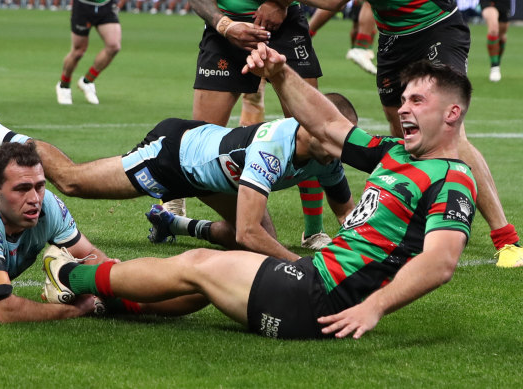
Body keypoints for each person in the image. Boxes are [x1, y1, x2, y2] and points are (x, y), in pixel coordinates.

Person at [42, 48, 477, 340]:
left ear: (452, 113)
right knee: (204, 286)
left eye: (417, 101)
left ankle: (68, 277)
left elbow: (441, 262)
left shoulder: (453, 179)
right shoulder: (394, 152)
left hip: (320, 297)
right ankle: (109, 305)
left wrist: (375, 307)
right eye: (403, 99)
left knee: (198, 265)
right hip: (314, 279)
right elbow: (327, 125)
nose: (403, 107)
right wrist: (281, 73)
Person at [0, 98, 356, 261]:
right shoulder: (272, 145)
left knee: (254, 237)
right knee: (71, 182)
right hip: (173, 155)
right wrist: (307, 266)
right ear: (309, 124)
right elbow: (250, 232)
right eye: (333, 134)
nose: (340, 145)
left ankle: (172, 222)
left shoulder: (328, 156)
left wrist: (371, 253)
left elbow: (351, 218)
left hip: (211, 174)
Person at [303, 0, 523, 267]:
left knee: (448, 133)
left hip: (435, 29)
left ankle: (506, 240)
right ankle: (416, 229)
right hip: (392, 40)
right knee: (406, 140)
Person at [186, 0, 332, 250]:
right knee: (197, 141)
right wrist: (225, 25)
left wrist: (280, 3)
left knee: (311, 130)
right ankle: (173, 210)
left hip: (284, 26)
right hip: (226, 27)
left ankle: (314, 230)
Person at [0, 139, 107, 321]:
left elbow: (88, 254)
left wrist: (106, 279)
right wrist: (77, 310)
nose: (35, 198)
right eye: (22, 189)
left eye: (39, 186)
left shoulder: (48, 206)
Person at [55, 0, 122, 105]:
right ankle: (64, 86)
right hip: (83, 5)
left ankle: (87, 81)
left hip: (106, 5)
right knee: (78, 52)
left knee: (114, 46)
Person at [481, 0, 511, 82]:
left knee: (501, 36)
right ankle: (495, 67)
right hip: (488, 2)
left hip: (503, 3)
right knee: (493, 30)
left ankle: (497, 62)